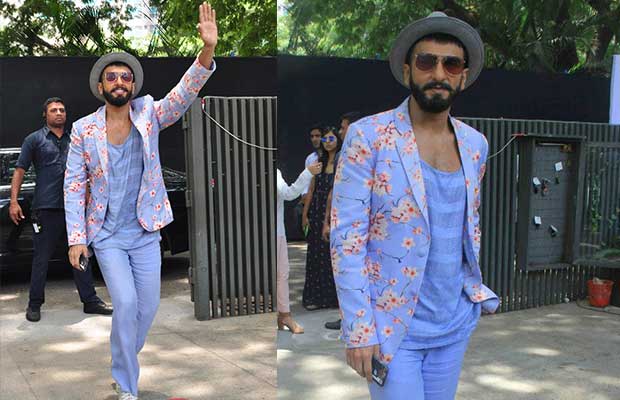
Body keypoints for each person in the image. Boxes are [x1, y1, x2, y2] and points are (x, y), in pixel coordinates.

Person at [330, 12, 499, 400]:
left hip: (453, 323)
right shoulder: (369, 136)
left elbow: (465, 226)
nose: (438, 73)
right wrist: (359, 329)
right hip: (392, 328)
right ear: (408, 70)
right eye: (426, 61)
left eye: (450, 64)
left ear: (462, 76)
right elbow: (346, 239)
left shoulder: (476, 145)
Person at [63, 3, 218, 399]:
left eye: (125, 77)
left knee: (147, 308)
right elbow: (74, 185)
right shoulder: (83, 130)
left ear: (132, 85)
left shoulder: (148, 113)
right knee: (126, 302)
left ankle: (122, 359)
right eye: (112, 77)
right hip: (107, 235)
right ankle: (127, 385)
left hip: (146, 231)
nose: (119, 82)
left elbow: (182, 95)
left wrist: (207, 50)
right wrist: (76, 238)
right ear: (101, 87)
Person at [9, 97, 112, 323]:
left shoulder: (75, 138)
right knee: (41, 258)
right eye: (54, 110)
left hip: (74, 209)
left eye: (62, 110)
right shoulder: (34, 140)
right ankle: (34, 304)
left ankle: (90, 301)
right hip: (45, 208)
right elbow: (19, 170)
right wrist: (14, 201)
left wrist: (88, 198)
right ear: (45, 115)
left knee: (81, 254)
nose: (58, 113)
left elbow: (86, 171)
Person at [323, 111, 362, 330]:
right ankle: (348, 316)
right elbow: (335, 191)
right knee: (347, 270)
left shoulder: (371, 152)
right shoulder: (342, 155)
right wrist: (328, 220)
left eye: (343, 127)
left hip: (361, 222)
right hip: (347, 220)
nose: (340, 132)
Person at [277, 161, 322, 333]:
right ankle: (284, 315)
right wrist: (307, 173)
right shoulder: (273, 172)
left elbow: (287, 194)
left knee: (281, 274)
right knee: (281, 274)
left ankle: (284, 314)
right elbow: (289, 194)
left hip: (276, 232)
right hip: (275, 233)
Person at [301, 127, 342, 310]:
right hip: (317, 211)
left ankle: (331, 298)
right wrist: (305, 214)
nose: (327, 142)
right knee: (315, 254)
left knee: (330, 255)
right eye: (325, 139)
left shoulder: (342, 161)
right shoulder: (318, 162)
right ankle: (315, 297)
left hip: (333, 211)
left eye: (331, 138)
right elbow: (311, 190)